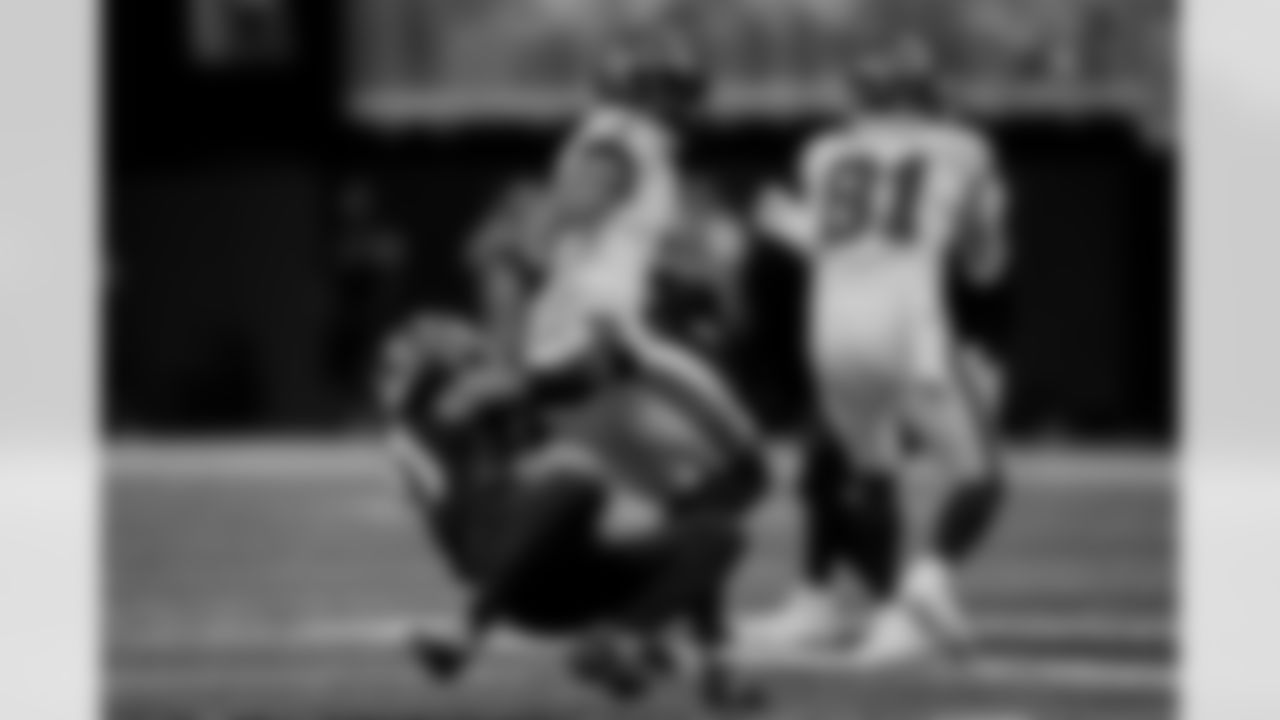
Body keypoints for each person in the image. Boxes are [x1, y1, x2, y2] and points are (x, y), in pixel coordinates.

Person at [741, 41, 1011, 669]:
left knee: (868, 472)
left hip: (832, 327)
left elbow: (819, 233)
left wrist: (779, 220)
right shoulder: (964, 148)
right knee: (981, 478)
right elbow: (983, 259)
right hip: (908, 326)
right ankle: (925, 583)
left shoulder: (822, 153)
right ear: (927, 95)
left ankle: (882, 615)